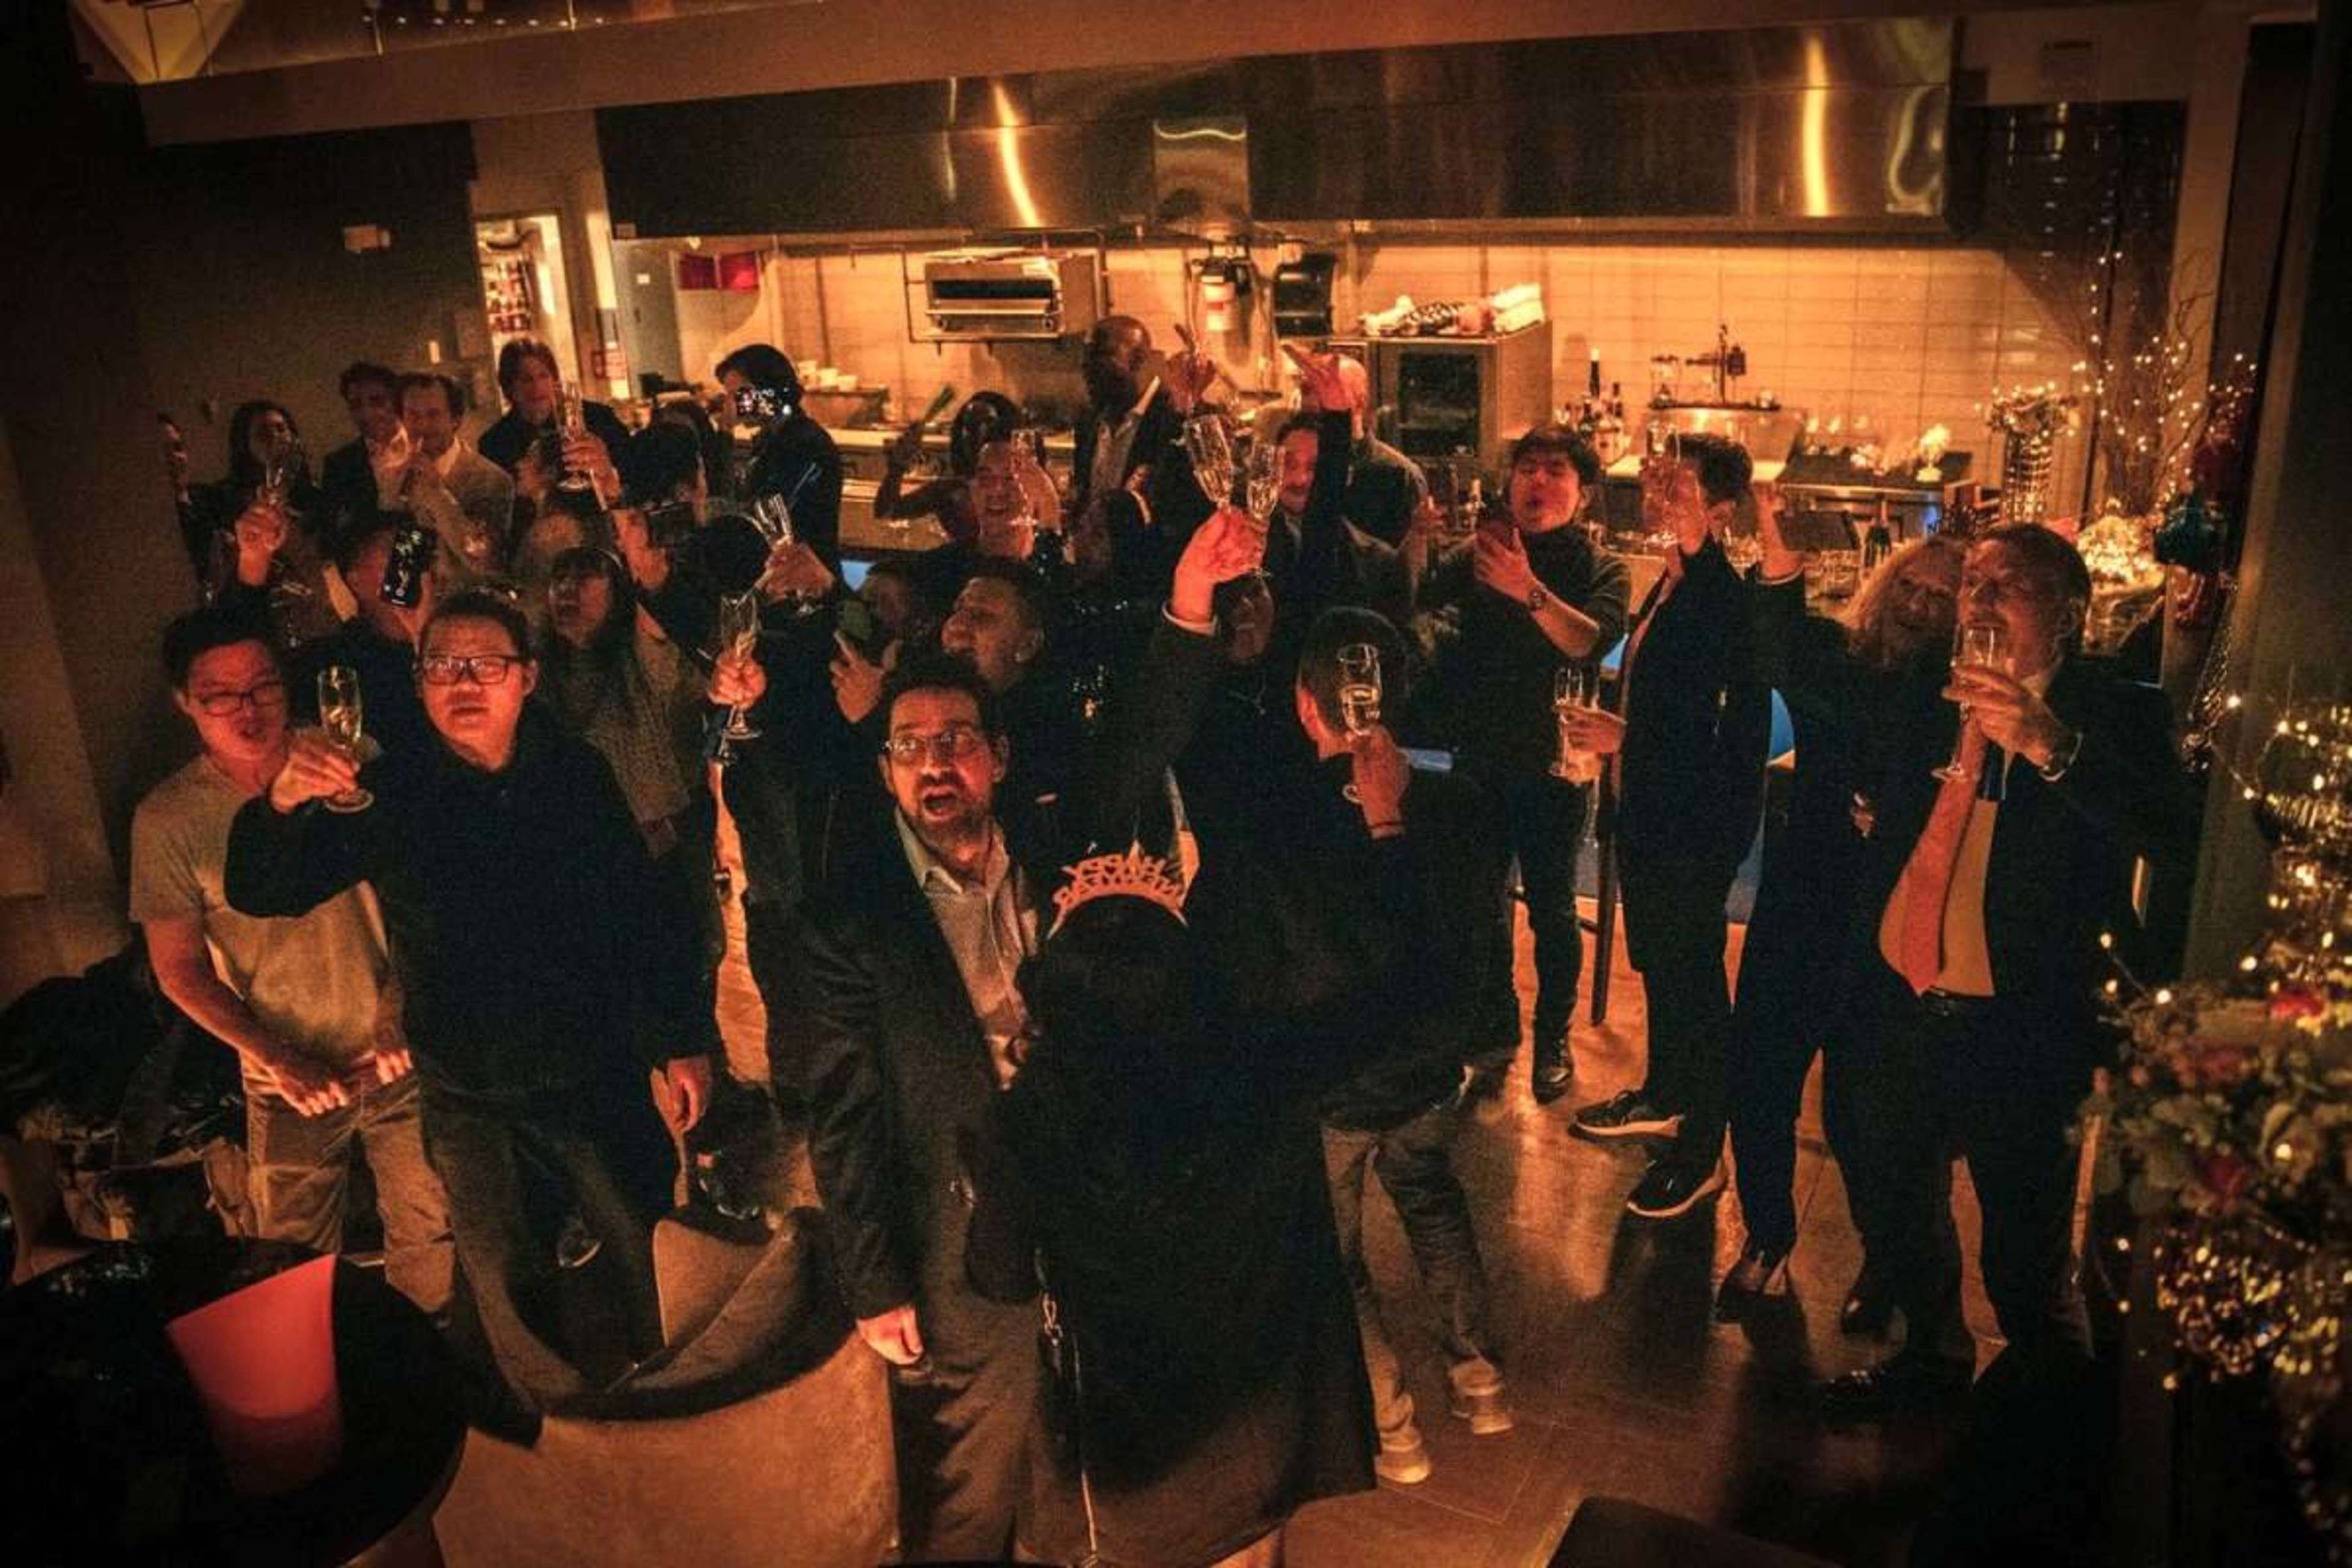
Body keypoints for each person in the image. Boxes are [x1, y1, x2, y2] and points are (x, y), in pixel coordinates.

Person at [225, 588, 714, 1418]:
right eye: (443, 664)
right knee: (506, 1290)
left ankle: (668, 1421)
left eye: (486, 664)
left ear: (525, 678)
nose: (464, 682)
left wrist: (679, 1038)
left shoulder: (576, 771)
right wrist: (279, 802)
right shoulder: (393, 790)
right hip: (471, 1092)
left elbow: (642, 909)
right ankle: (549, 1448)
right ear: (418, 683)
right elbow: (266, 887)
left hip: (593, 1071)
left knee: (648, 1257)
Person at [1812, 524, 2193, 1417]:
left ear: (2067, 615)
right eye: (1973, 584)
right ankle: (1933, 1361)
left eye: (2007, 586)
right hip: (1900, 1002)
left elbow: (2172, 833)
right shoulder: (1924, 689)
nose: (1978, 603)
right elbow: (1831, 695)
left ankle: (2044, 1410)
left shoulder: (2116, 709)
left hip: (2023, 1026)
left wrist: (2052, 745)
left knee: (2022, 1246)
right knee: (1900, 1209)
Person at [788, 656, 1051, 1561]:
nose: (934, 765)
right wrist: (875, 1283)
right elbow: (843, 1115)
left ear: (999, 758)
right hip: (958, 1224)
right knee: (968, 1470)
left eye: (955, 742)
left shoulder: (1050, 869)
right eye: (909, 747)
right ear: (886, 771)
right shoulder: (848, 917)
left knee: (1066, 1427)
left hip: (1076, 1194)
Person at [132, 606, 454, 1317]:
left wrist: (401, 1010)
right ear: (185, 700)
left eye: (264, 686)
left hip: (394, 1048)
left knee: (429, 1225)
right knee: (290, 1257)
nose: (247, 709)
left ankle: (427, 1362)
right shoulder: (170, 819)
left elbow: (418, 904)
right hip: (286, 1072)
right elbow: (179, 968)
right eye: (220, 693)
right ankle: (318, 1392)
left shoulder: (351, 760)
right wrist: (276, 1055)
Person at [1714, 519, 1966, 1319]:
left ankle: (1886, 1264)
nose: (1920, 606)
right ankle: (1767, 1239)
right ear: (1884, 586)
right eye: (1911, 587)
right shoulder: (1837, 658)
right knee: (1757, 1082)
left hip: (1889, 926)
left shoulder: (1959, 693)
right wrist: (1779, 566)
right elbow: (1776, 644)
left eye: (1941, 597)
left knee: (1864, 1116)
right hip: (1800, 905)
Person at [1296, 610, 1514, 1486]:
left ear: (1308, 707)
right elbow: (1481, 943)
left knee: (1334, 1250)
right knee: (1429, 1197)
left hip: (1337, 1084)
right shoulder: (1463, 806)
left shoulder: (1290, 820)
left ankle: (1392, 1428)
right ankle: (1480, 1379)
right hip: (1432, 1070)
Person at [1565, 434, 1770, 1221]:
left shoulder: (1727, 594)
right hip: (1650, 812)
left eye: (1682, 489)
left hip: (1695, 824)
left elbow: (1726, 733)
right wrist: (1617, 726)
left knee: (1693, 980)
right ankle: (1665, 1093)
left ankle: (1702, 1151)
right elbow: (1671, 698)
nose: (1661, 498)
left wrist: (1627, 738)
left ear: (1717, 512)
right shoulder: (1674, 584)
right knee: (1663, 970)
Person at [1416, 425, 1631, 1106]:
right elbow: (1417, 596)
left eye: (1556, 471)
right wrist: (1423, 541)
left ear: (1583, 492)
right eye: (1527, 469)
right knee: (1479, 908)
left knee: (1553, 909)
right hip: (1478, 758)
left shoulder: (1604, 567)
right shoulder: (1480, 553)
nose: (1538, 481)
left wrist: (1526, 588)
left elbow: (1588, 640)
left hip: (1553, 767)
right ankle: (1495, 1024)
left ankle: (1553, 1038)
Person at [716, 343, 843, 570]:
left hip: (808, 577)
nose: (731, 404)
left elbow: (766, 514)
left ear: (770, 391)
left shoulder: (802, 442)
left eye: (739, 395)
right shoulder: (771, 438)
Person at [394, 371, 515, 575]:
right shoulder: (399, 476)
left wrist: (437, 492)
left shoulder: (491, 479)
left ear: (456, 420)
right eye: (413, 415)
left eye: (433, 415)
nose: (423, 426)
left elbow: (482, 559)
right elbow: (404, 562)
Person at [1306, 351, 1428, 547]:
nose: (1315, 401)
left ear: (1361, 401)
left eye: (1333, 390)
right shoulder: (1291, 468)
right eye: (1309, 390)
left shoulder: (1399, 476)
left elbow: (1408, 566)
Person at [477, 339, 631, 480]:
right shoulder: (494, 443)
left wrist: (607, 471)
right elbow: (496, 505)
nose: (537, 387)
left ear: (555, 380)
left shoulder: (599, 418)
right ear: (509, 387)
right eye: (526, 380)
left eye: (544, 376)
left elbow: (633, 479)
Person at [317, 361, 408, 537]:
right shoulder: (339, 464)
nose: (367, 413)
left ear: (397, 402)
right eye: (356, 405)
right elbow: (334, 531)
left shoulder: (424, 447)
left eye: (377, 401)